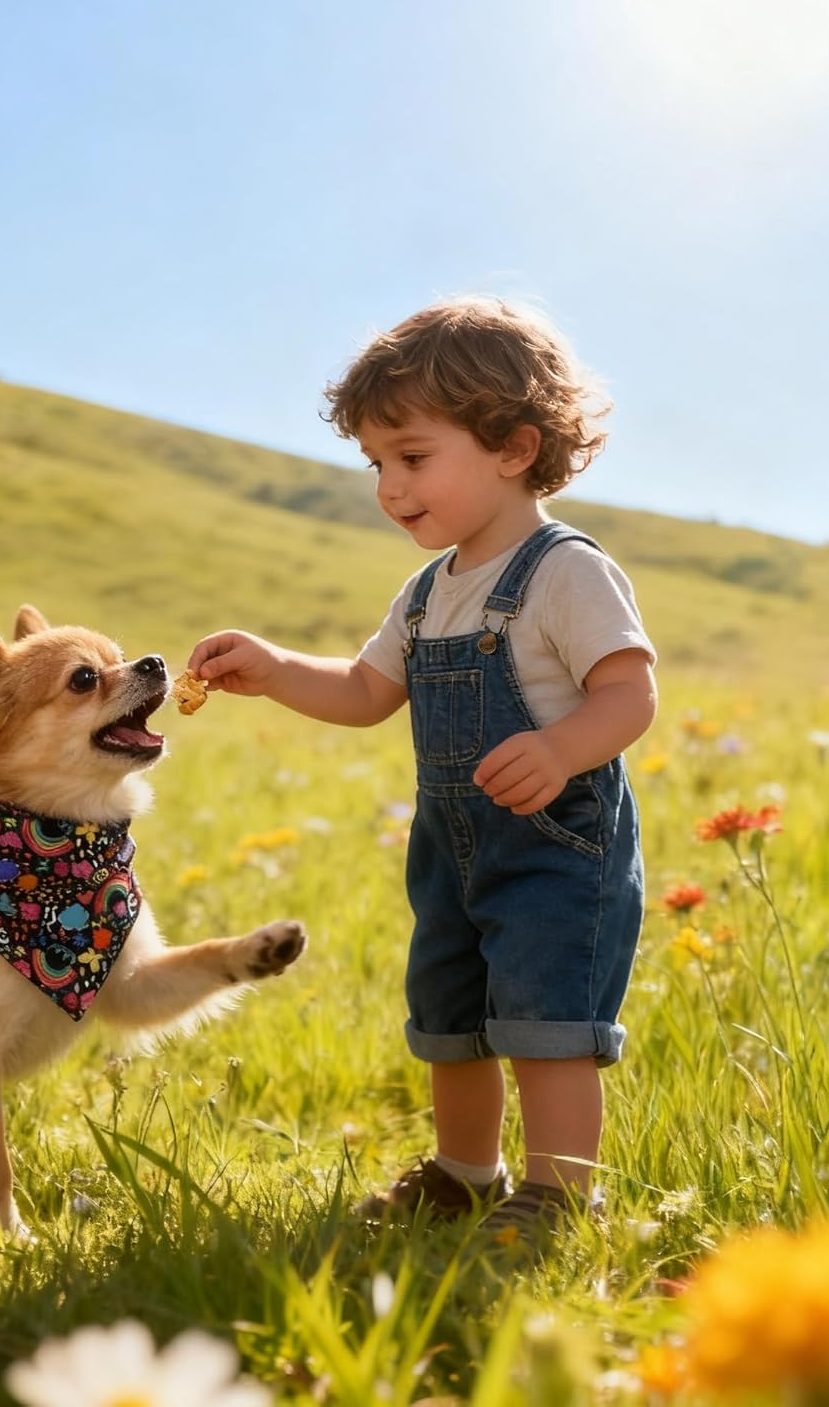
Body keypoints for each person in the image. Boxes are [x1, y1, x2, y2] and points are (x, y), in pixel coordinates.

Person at [187, 297, 657, 1246]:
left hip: (556, 844)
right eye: (375, 465)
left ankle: (565, 1191)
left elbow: (630, 694)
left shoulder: (565, 570)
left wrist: (563, 747)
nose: (389, 487)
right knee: (452, 1010)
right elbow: (366, 691)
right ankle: (463, 1173)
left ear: (513, 448)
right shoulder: (427, 591)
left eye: (411, 457)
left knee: (544, 1014)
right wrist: (278, 671)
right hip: (454, 846)